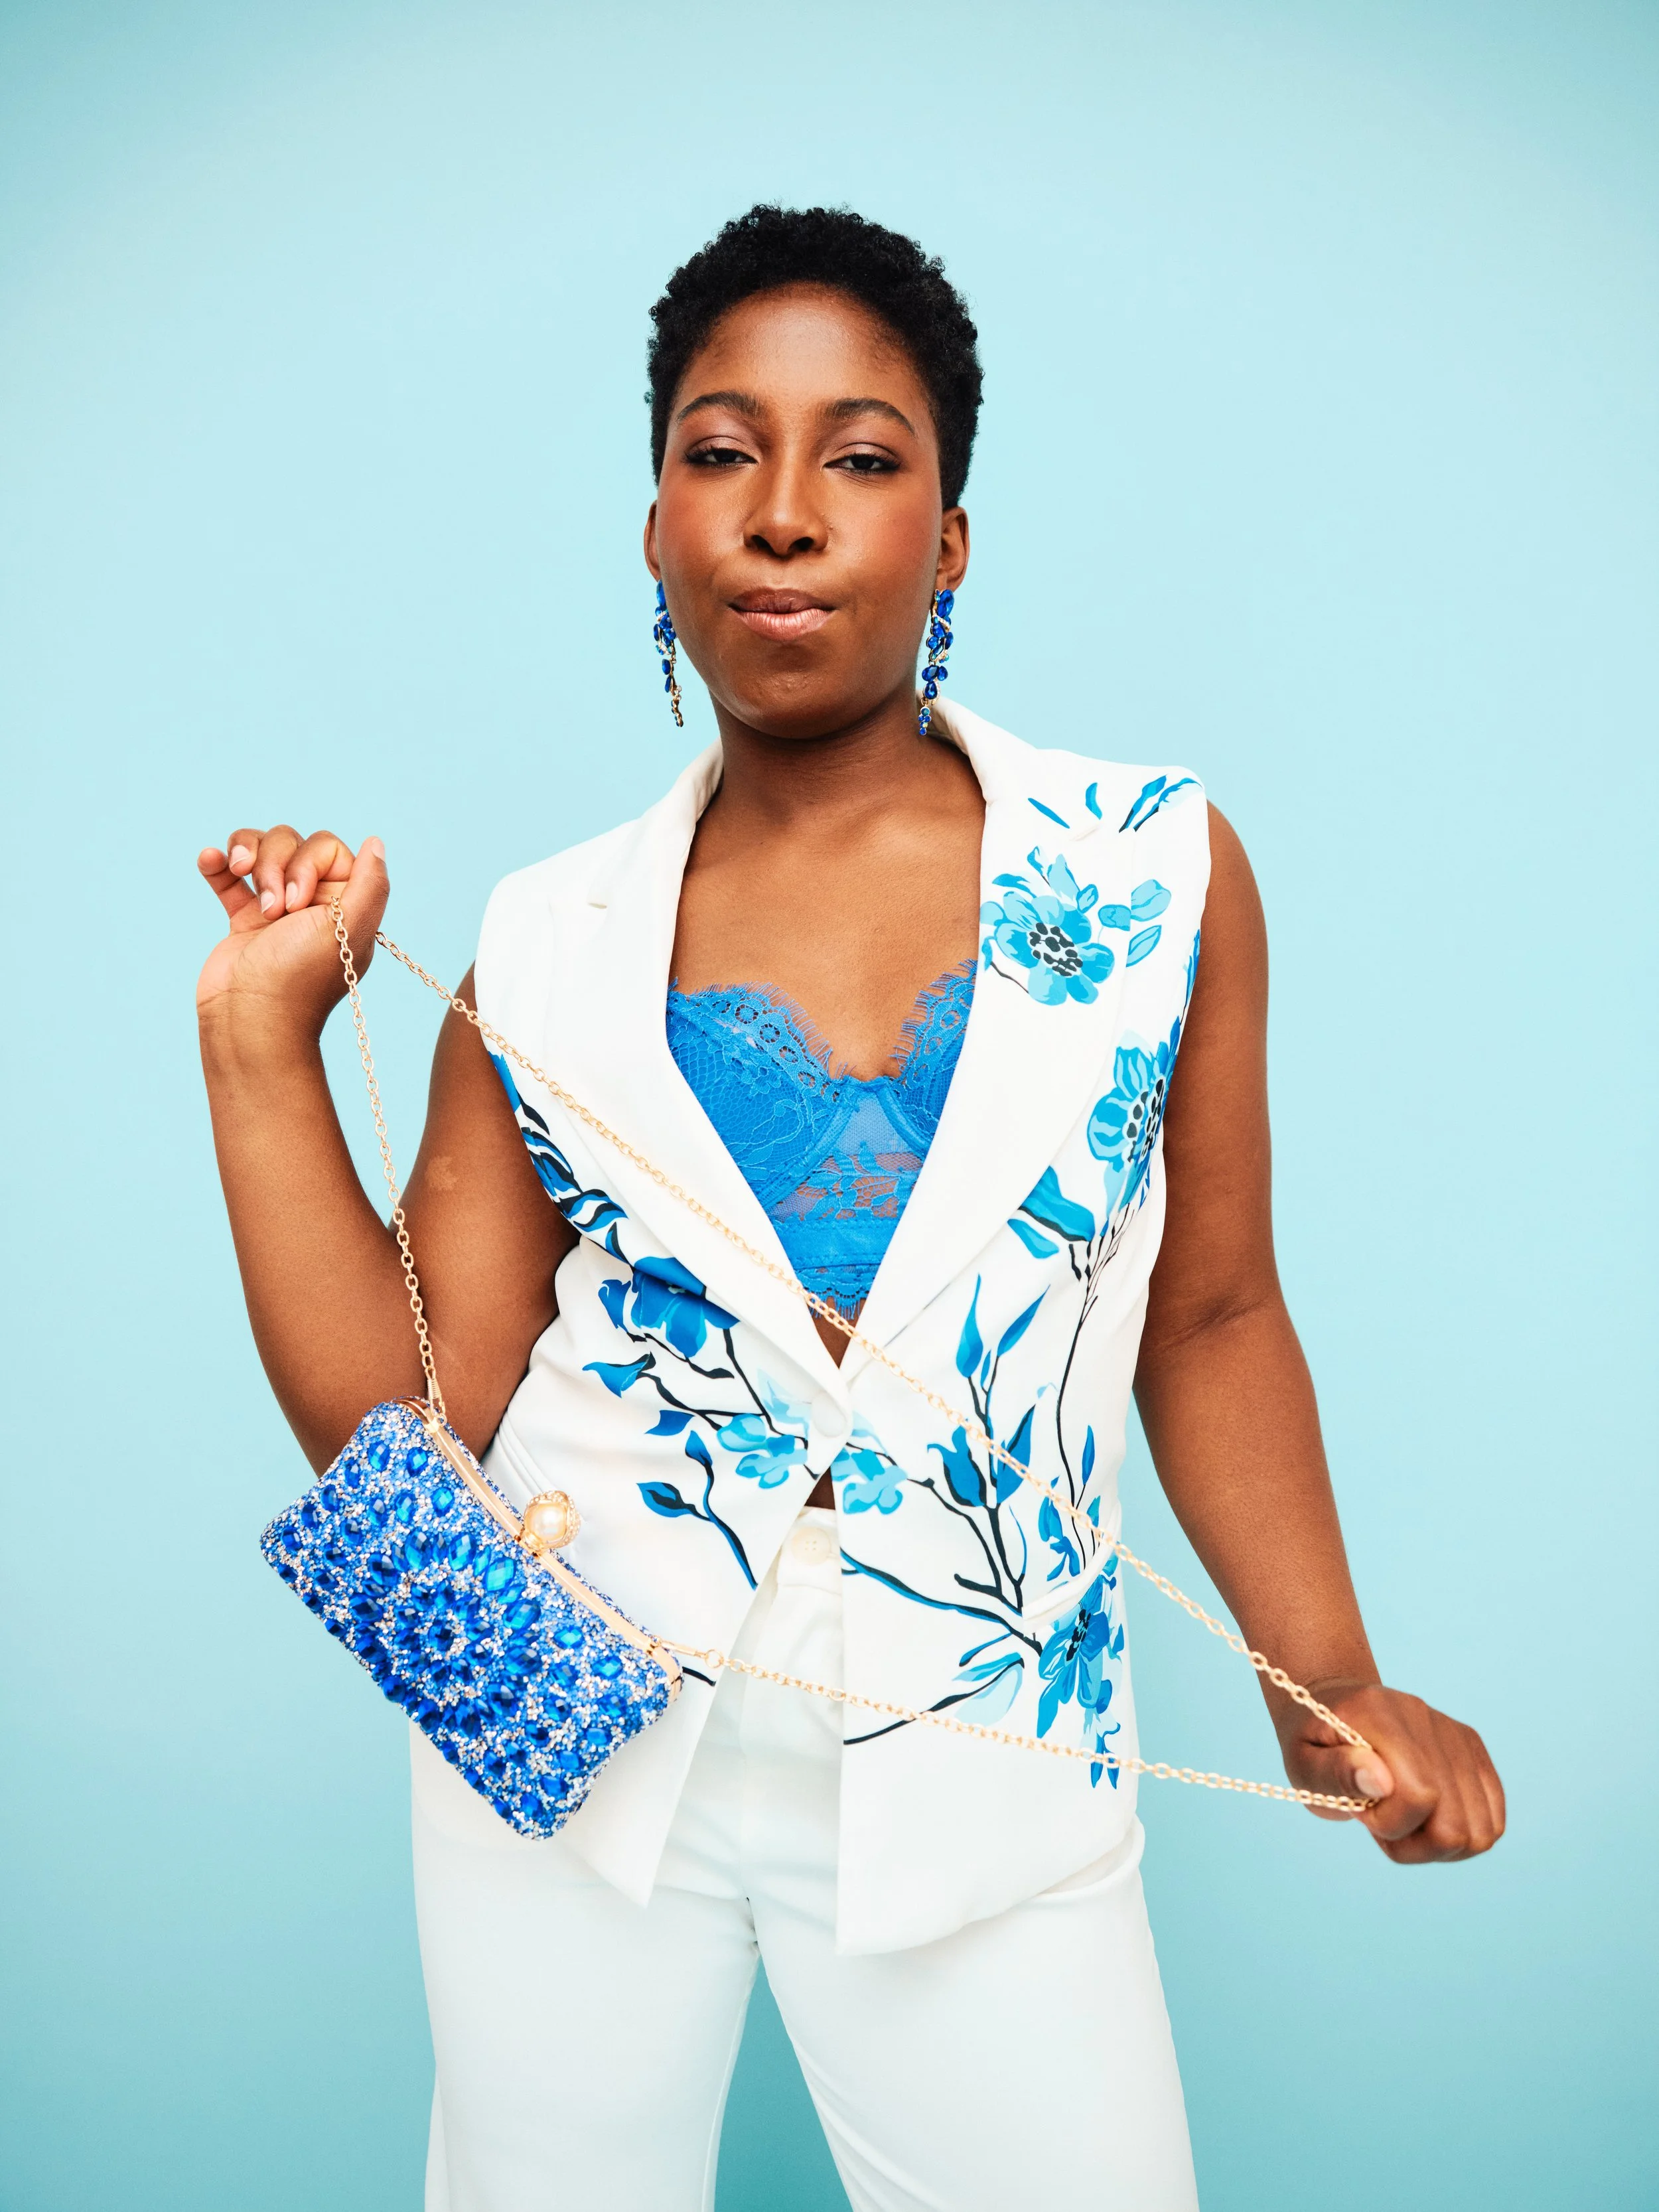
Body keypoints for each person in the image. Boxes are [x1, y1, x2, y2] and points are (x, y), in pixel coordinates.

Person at [196, 205, 1504, 2212]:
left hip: (990, 1751)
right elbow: (412, 1421)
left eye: (863, 456)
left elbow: (1215, 1309)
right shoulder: (548, 934)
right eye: (719, 452)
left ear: (951, 533)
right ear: (654, 528)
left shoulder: (1153, 869)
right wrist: (260, 1042)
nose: (784, 512)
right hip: (556, 1738)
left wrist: (1318, 1671)